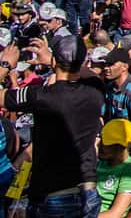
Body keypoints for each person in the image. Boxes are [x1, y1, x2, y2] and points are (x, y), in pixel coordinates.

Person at [0, 34, 104, 217]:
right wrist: (53, 60)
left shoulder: (41, 96)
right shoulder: (96, 90)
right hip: (87, 191)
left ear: (55, 60)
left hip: (54, 197)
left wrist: (5, 66)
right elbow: (89, 74)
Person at [96, 118, 131, 218]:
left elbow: (115, 214)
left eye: (105, 144)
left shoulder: (130, 170)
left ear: (119, 147)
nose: (100, 145)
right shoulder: (102, 163)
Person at [99, 47, 131, 126]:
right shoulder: (109, 87)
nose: (106, 68)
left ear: (124, 67)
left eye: (111, 64)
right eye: (106, 64)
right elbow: (101, 115)